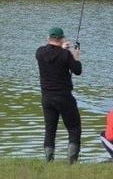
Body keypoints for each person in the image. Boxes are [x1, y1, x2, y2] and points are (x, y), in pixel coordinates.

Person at [35, 26, 82, 163]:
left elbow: (53, 54)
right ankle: (72, 163)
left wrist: (62, 48)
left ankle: (49, 161)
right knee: (74, 128)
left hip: (47, 98)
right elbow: (77, 70)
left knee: (50, 130)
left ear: (48, 38)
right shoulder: (65, 55)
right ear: (62, 39)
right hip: (64, 97)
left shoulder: (39, 52)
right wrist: (76, 56)